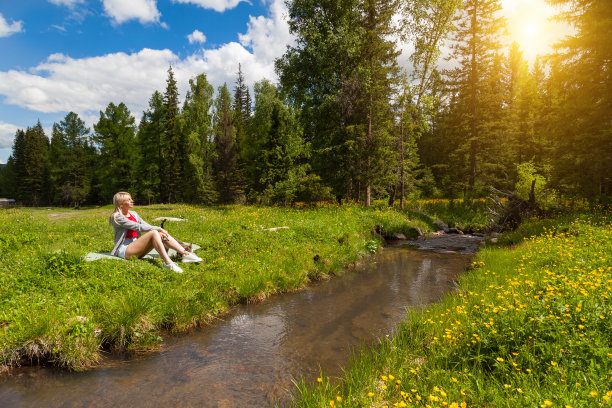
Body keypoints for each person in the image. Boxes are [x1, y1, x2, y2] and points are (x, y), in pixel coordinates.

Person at [109, 192, 202, 273]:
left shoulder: (134, 214)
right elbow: (137, 226)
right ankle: (168, 263)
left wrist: (159, 231)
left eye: (131, 199)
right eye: (129, 200)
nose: (132, 201)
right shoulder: (116, 217)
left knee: (159, 234)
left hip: (137, 246)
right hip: (125, 249)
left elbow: (145, 224)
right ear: (120, 204)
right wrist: (158, 229)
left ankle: (185, 254)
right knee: (154, 232)